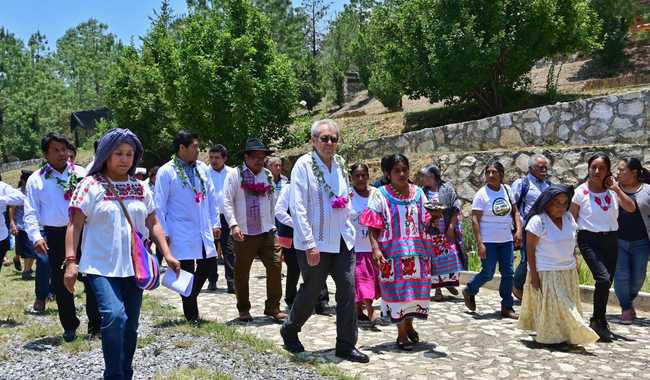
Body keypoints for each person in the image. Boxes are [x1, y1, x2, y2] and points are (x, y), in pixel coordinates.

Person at [65, 128, 181, 380]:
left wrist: (168, 253)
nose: (124, 159)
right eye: (118, 153)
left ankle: (126, 372)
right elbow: (75, 225)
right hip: (100, 267)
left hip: (135, 267)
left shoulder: (139, 187)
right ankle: (114, 375)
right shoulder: (90, 185)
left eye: (129, 154)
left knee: (131, 325)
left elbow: (154, 222)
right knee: (115, 317)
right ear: (106, 154)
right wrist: (71, 262)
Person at [281, 119, 369, 363]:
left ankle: (346, 344)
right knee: (311, 293)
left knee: (348, 291)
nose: (329, 143)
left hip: (342, 239)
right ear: (313, 141)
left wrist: (354, 219)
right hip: (316, 242)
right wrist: (309, 242)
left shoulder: (340, 164)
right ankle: (290, 329)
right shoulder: (303, 166)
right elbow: (297, 207)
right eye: (324, 138)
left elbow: (345, 199)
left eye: (333, 138)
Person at [24, 132, 100, 341]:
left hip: (84, 232)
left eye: (64, 149)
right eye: (55, 150)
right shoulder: (36, 180)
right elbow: (30, 211)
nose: (61, 154)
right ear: (46, 154)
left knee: (92, 277)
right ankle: (70, 325)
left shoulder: (82, 173)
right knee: (60, 281)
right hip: (56, 235)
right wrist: (35, 236)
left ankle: (96, 325)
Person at [518, 185, 599, 347]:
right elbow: (530, 249)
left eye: (564, 203)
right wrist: (533, 275)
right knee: (561, 306)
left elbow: (572, 242)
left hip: (567, 270)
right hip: (546, 271)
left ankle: (562, 335)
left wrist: (575, 261)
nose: (561, 207)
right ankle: (556, 336)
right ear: (547, 203)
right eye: (556, 203)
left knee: (561, 308)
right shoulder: (538, 221)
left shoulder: (569, 218)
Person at [155, 130, 221, 323]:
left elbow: (211, 198)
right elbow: (159, 205)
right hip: (180, 229)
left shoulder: (202, 168)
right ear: (181, 148)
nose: (198, 151)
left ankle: (189, 296)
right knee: (186, 271)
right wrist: (164, 232)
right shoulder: (167, 171)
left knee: (209, 264)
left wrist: (215, 222)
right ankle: (191, 316)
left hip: (202, 227)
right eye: (194, 147)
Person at [570, 152, 635, 342]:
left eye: (602, 168)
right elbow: (571, 221)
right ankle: (597, 319)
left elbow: (631, 208)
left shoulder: (613, 190)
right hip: (588, 239)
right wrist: (571, 249)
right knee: (603, 278)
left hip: (611, 239)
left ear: (608, 170)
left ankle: (599, 320)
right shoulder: (580, 192)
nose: (597, 171)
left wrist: (616, 188)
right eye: (593, 167)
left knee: (605, 283)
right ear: (588, 169)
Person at [223, 138, 285, 322]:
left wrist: (274, 224)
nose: (260, 161)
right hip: (244, 232)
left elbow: (272, 199)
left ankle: (273, 307)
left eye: (262, 157)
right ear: (246, 157)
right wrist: (233, 225)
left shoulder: (267, 175)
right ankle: (243, 309)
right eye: (256, 157)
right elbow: (226, 201)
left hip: (267, 230)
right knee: (242, 272)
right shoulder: (235, 175)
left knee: (275, 266)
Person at [463, 160, 522, 319]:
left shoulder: (507, 190)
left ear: (501, 174)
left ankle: (507, 306)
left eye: (494, 172)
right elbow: (475, 220)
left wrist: (519, 229)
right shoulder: (481, 195)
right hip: (488, 241)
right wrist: (480, 243)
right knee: (488, 272)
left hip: (506, 240)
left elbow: (515, 212)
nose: (490, 175)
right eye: (488, 172)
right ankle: (470, 290)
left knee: (508, 273)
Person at [274, 183, 329, 310]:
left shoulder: (316, 187)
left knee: (318, 265)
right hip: (293, 234)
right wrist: (296, 224)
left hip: (314, 233)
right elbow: (279, 211)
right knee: (294, 268)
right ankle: (291, 298)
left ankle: (321, 299)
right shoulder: (289, 188)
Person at [420, 164, 464, 302]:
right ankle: (438, 290)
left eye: (424, 176)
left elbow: (455, 209)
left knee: (450, 258)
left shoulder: (447, 189)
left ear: (432, 176)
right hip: (432, 232)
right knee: (435, 261)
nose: (422, 179)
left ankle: (448, 282)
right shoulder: (423, 192)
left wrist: (451, 228)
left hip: (445, 232)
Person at [614, 158, 650, 324]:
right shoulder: (612, 190)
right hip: (617, 240)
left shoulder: (647, 190)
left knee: (638, 277)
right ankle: (626, 308)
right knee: (621, 275)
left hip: (641, 242)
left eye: (622, 170)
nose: (618, 173)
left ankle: (628, 300)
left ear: (634, 172)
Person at [512, 154, 552, 300]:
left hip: (544, 228)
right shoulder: (522, 184)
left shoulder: (548, 185)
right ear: (531, 168)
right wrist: (518, 229)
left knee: (540, 258)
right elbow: (514, 206)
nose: (544, 170)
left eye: (545, 167)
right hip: (527, 228)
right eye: (540, 167)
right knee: (526, 259)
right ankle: (516, 286)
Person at [10, 170, 51, 312]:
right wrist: (13, 223)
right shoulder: (28, 188)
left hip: (57, 228)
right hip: (36, 229)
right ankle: (41, 297)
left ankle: (55, 292)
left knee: (58, 264)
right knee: (43, 262)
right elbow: (15, 209)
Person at [350, 163, 380, 324]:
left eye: (364, 175)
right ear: (351, 178)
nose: (361, 179)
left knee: (371, 279)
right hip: (356, 247)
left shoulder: (376, 194)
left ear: (368, 176)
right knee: (362, 279)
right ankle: (370, 309)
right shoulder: (348, 196)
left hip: (375, 246)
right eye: (357, 176)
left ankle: (357, 309)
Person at [206, 145, 235, 293]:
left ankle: (232, 282)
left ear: (224, 158)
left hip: (227, 216)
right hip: (210, 217)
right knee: (210, 250)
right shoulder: (204, 173)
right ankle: (212, 279)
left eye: (217, 157)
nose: (213, 160)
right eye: (211, 157)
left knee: (229, 249)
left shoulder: (232, 173)